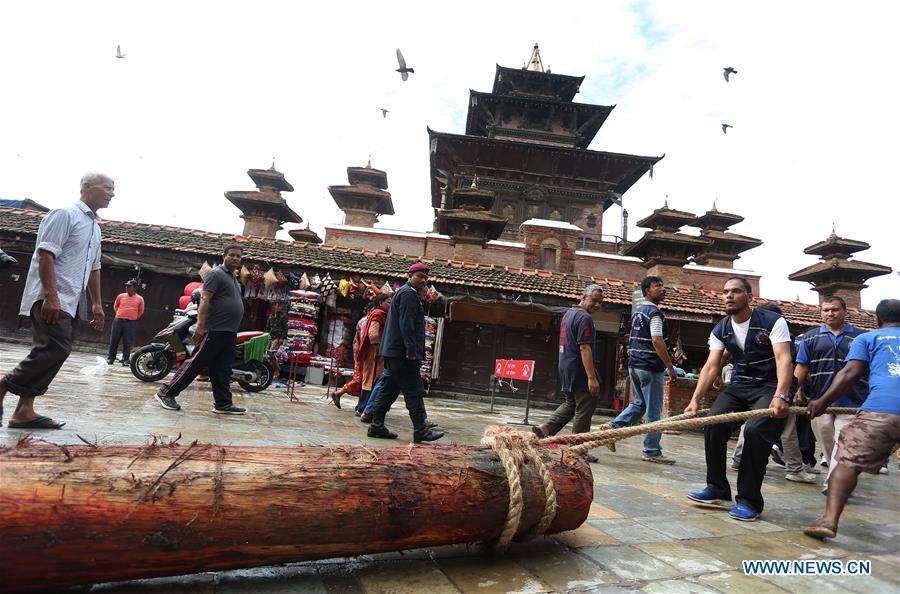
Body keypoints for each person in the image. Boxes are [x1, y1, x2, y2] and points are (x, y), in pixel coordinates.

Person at [0, 172, 112, 429]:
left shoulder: (95, 227)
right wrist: (51, 296)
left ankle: (24, 410)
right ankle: (4, 385)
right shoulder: (64, 214)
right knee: (55, 348)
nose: (111, 194)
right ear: (86, 187)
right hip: (52, 297)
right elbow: (46, 255)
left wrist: (96, 303)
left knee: (54, 351)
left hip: (73, 301)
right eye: (107, 188)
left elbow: (94, 268)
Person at [684, 277, 793, 522]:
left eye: (736, 291)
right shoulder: (721, 328)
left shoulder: (773, 321)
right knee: (713, 422)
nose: (729, 296)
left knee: (755, 432)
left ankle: (749, 500)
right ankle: (717, 489)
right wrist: (695, 400)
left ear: (750, 297)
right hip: (741, 384)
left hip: (769, 386)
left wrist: (781, 394)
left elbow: (783, 359)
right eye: (725, 292)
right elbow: (712, 364)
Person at [802, 299, 900, 540]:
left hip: (884, 410)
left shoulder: (867, 338)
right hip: (884, 409)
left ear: (877, 320)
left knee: (846, 463)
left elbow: (849, 373)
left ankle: (829, 520)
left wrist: (822, 401)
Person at [154, 245, 247, 415]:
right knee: (196, 363)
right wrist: (201, 325)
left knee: (223, 369)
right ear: (223, 255)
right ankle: (166, 392)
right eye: (232, 255)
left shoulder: (234, 278)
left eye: (238, 256)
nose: (235, 258)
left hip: (229, 332)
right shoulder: (216, 274)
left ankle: (223, 403)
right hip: (215, 329)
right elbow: (205, 299)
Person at [794, 295, 871, 491]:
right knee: (827, 441)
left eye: (834, 309)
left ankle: (834, 483)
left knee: (842, 441)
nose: (830, 313)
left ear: (845, 311)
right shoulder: (810, 337)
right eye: (826, 310)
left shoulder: (861, 337)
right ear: (820, 313)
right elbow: (802, 366)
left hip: (852, 400)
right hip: (818, 400)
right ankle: (837, 475)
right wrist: (796, 388)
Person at [366, 262, 444, 443]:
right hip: (403, 353)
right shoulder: (409, 294)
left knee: (389, 389)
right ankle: (420, 430)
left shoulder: (404, 293)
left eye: (426, 277)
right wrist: (411, 351)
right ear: (409, 275)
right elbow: (407, 324)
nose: (423, 280)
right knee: (413, 390)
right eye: (420, 276)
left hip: (394, 352)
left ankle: (376, 426)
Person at [605, 276, 677, 464]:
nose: (662, 289)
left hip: (635, 364)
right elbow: (657, 341)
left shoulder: (638, 312)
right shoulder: (654, 314)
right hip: (650, 366)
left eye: (663, 285)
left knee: (639, 404)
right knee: (654, 411)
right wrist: (670, 367)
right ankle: (652, 450)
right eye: (657, 286)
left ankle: (613, 428)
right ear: (647, 291)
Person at [532, 284, 604, 463]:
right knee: (585, 407)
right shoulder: (584, 318)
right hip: (579, 369)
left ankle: (545, 429)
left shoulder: (568, 314)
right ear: (583, 297)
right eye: (594, 300)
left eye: (600, 302)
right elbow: (585, 347)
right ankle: (578, 448)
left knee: (571, 403)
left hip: (565, 366)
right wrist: (592, 377)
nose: (597, 305)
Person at [356, 293, 391, 415]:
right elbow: (373, 334)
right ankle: (363, 408)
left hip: (377, 352)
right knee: (372, 379)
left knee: (372, 379)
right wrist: (379, 347)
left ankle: (363, 408)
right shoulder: (378, 314)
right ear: (380, 303)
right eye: (388, 302)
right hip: (375, 353)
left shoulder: (382, 314)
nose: (390, 305)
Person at [107, 279, 145, 365]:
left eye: (129, 286)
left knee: (128, 342)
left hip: (130, 322)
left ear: (135, 288)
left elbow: (141, 311)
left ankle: (125, 359)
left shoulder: (140, 299)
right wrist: (119, 314)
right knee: (114, 340)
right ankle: (110, 358)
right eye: (126, 286)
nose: (127, 288)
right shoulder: (121, 296)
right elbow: (116, 306)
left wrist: (133, 317)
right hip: (118, 321)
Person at [265, 300, 288, 382]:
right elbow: (267, 327)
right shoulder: (271, 316)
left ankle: (275, 371)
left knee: (271, 355)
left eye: (279, 306)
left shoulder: (283, 316)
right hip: (270, 337)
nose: (277, 307)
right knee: (267, 356)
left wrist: (282, 338)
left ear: (281, 307)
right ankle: (271, 371)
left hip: (277, 338)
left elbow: (285, 328)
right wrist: (265, 336)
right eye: (276, 306)